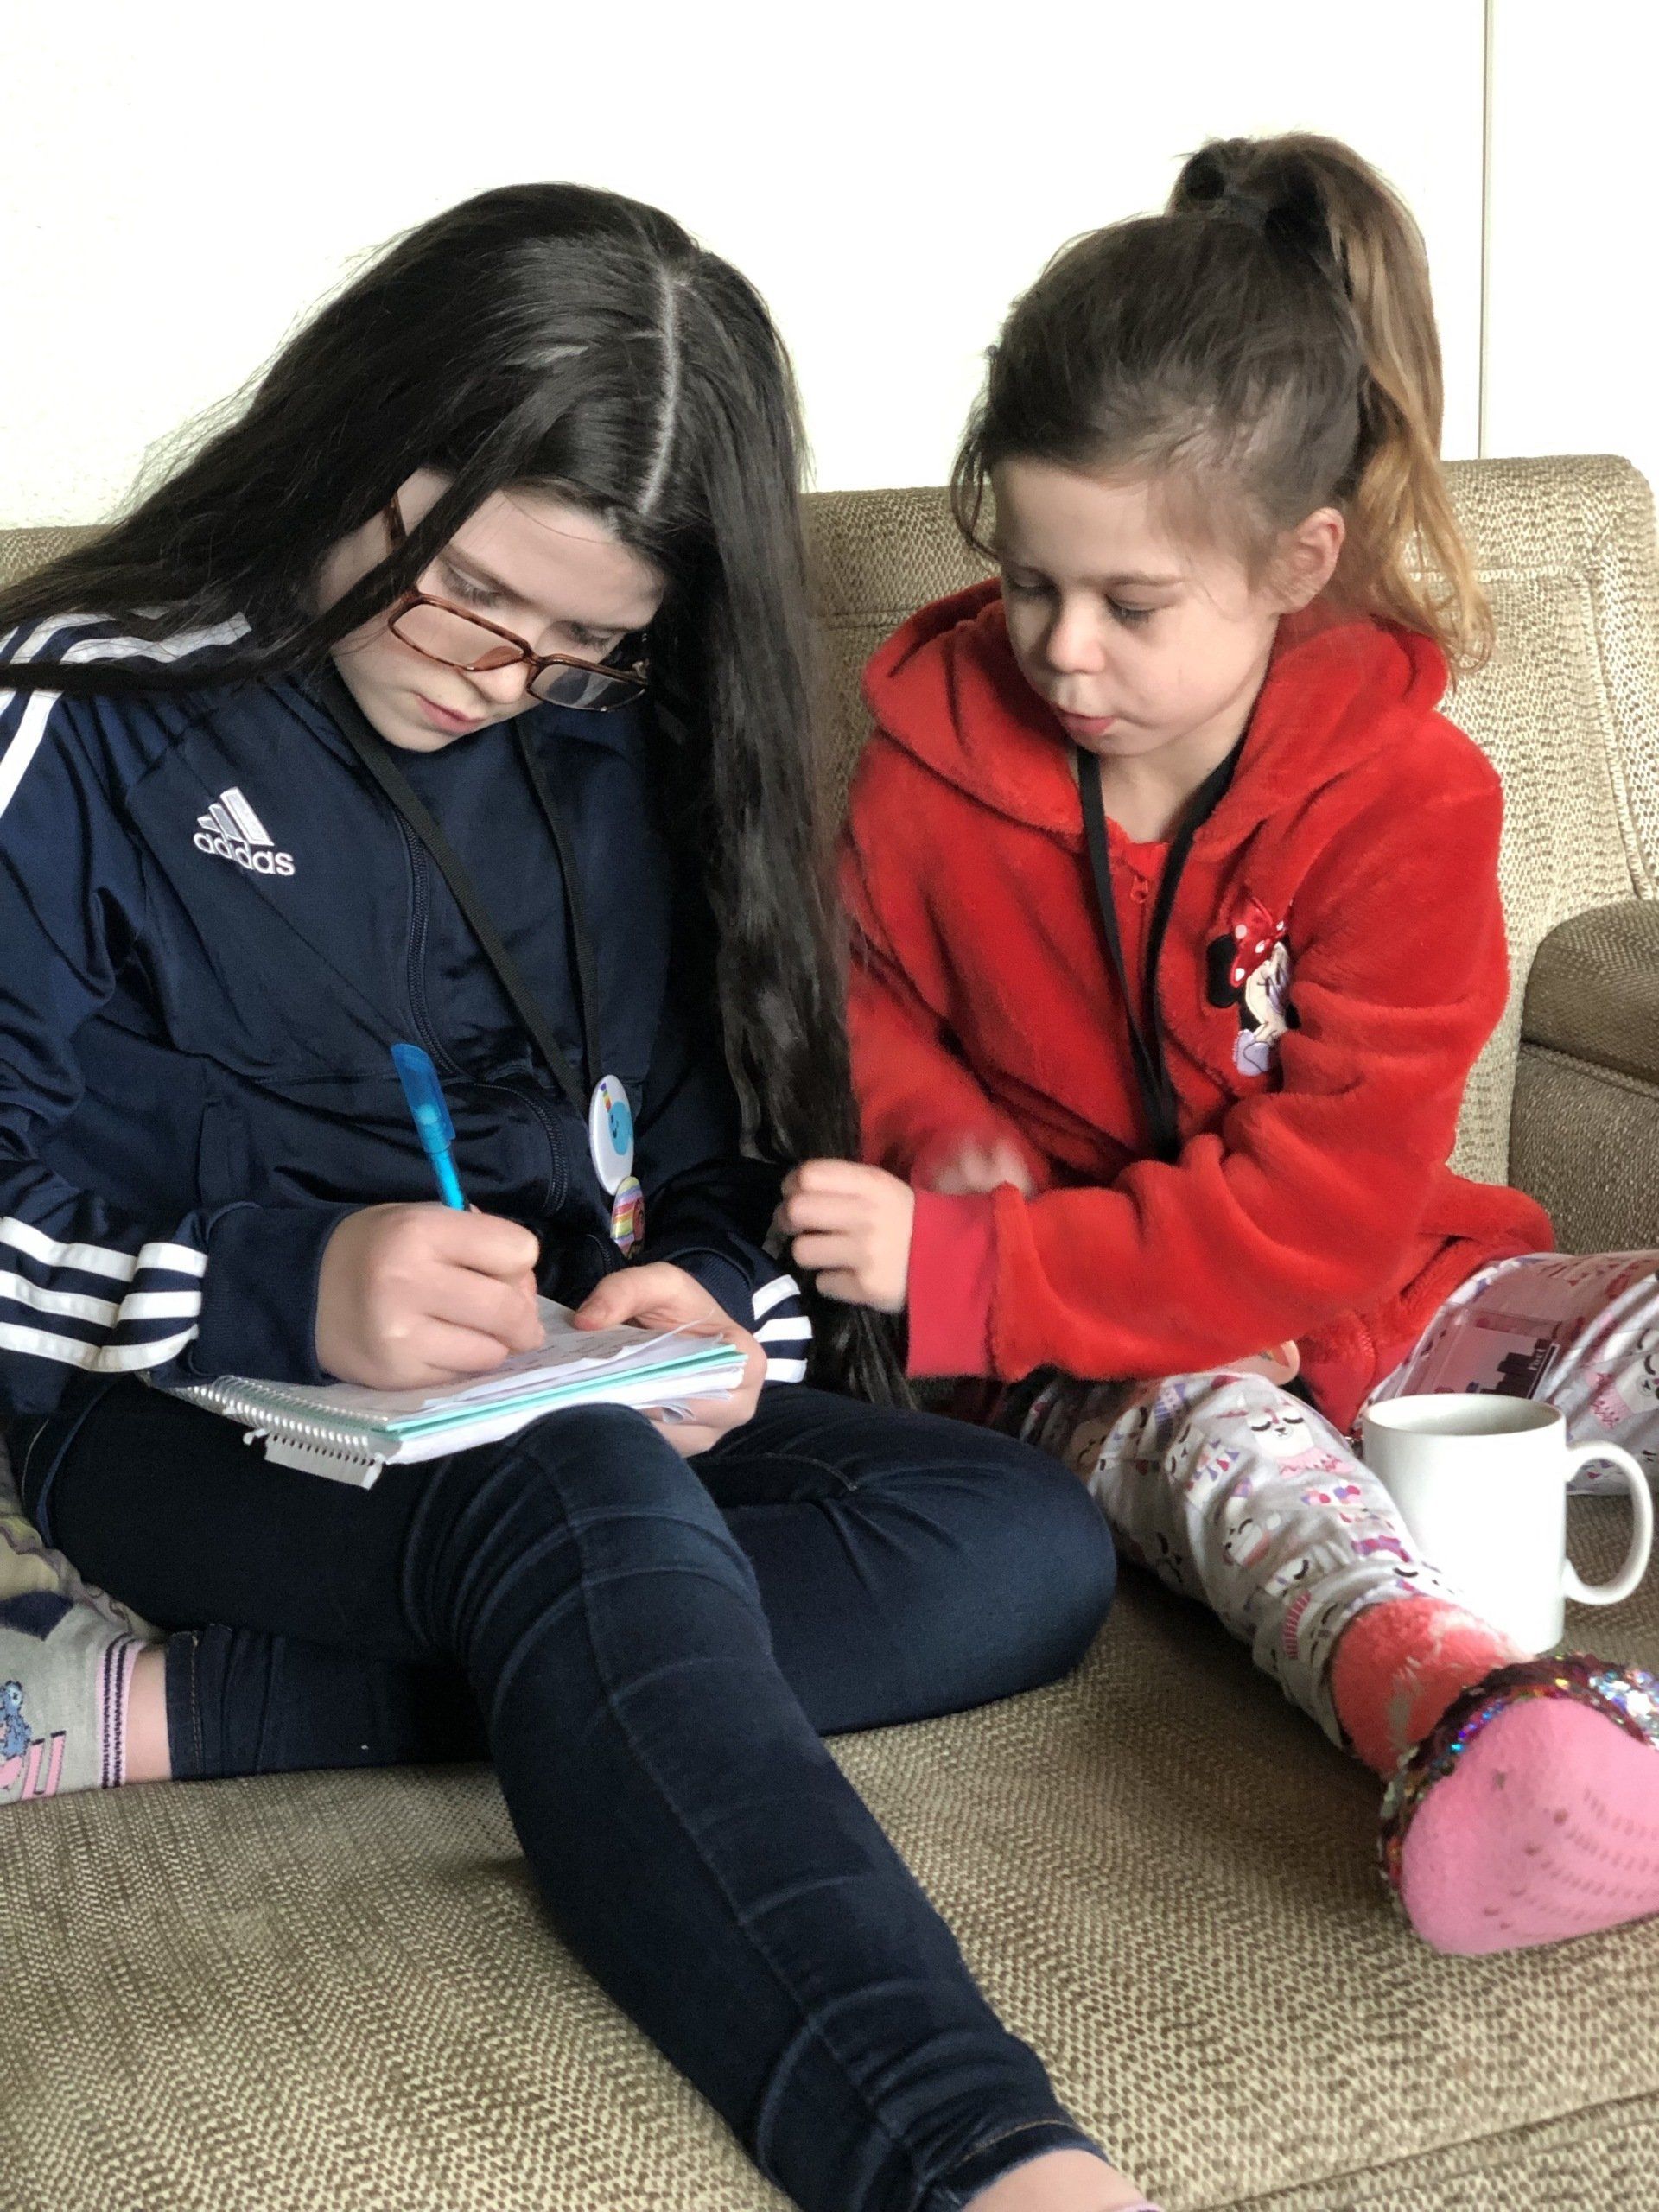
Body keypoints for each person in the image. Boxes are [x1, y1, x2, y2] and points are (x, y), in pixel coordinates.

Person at [0, 184, 1160, 2212]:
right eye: (468, 594)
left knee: (1020, 1538)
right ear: (360, 442)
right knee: (581, 1495)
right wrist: (292, 1280)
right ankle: (976, 2158)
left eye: (580, 637)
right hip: (170, 1409)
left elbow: (705, 1160)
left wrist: (704, 1301)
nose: (500, 672)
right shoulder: (79, 710)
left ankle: (167, 1701)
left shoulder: (614, 739)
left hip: (546, 1397)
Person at [779, 133, 1659, 1964]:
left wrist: (994, 1257)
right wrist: (945, 1165)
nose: (1061, 651)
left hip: (1386, 1294)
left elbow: (1330, 1210)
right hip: (1078, 1354)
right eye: (1028, 582)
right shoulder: (931, 768)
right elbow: (855, 1008)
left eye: (1130, 605)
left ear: (1296, 561)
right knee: (1223, 1441)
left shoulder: (1409, 800)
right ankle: (1470, 1724)